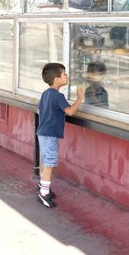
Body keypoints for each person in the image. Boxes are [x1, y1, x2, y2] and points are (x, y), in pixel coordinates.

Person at [36, 63, 84, 208]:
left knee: (45, 160)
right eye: (64, 74)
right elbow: (69, 112)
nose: (66, 76)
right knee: (50, 162)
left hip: (42, 132)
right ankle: (44, 194)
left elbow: (40, 109)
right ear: (56, 79)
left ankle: (42, 185)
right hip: (50, 135)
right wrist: (80, 98)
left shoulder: (46, 93)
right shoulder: (58, 96)